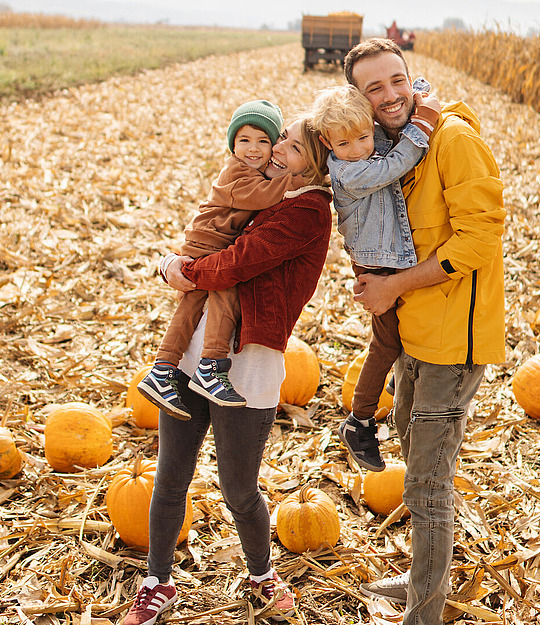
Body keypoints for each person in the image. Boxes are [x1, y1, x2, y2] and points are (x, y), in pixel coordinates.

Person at [120, 117, 333, 625]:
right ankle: (157, 582)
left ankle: (261, 575)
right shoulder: (258, 186)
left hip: (249, 363)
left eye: (291, 146)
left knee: (239, 489)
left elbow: (238, 262)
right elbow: (209, 230)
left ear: (316, 162)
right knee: (170, 478)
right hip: (197, 354)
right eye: (280, 139)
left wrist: (179, 270)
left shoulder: (307, 209)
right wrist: (179, 261)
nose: (277, 147)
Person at [343, 39, 506, 625]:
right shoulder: (392, 149)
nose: (390, 95)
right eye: (374, 88)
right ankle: (423, 578)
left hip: (454, 343)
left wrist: (394, 286)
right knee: (416, 461)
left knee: (427, 488)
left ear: (413, 77)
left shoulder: (453, 142)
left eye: (397, 79)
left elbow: (479, 241)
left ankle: (425, 613)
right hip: (416, 332)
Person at [137, 100, 307, 419]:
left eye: (263, 141)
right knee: (226, 292)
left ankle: (162, 369)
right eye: (244, 140)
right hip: (209, 242)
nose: (254, 149)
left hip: (208, 240)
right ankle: (211, 366)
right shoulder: (238, 171)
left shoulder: (252, 170)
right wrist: (300, 178)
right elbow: (264, 197)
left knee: (189, 306)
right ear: (232, 144)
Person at [307, 82, 440, 473]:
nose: (359, 148)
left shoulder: (366, 137)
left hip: (392, 257)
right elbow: (394, 165)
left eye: (364, 137)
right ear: (327, 143)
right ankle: (360, 419)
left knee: (405, 327)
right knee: (383, 343)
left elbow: (385, 127)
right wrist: (424, 123)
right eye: (344, 144)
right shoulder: (350, 171)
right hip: (376, 263)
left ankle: (400, 382)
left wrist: (418, 92)